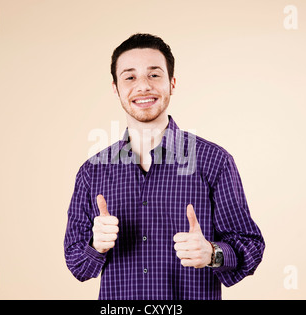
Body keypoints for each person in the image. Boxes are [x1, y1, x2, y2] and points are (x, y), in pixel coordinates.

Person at [64, 33, 265, 300]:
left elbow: (250, 246)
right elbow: (78, 265)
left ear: (172, 83)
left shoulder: (213, 161)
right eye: (130, 77)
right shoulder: (93, 171)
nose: (143, 86)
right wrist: (96, 246)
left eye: (154, 75)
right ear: (116, 88)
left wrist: (212, 254)